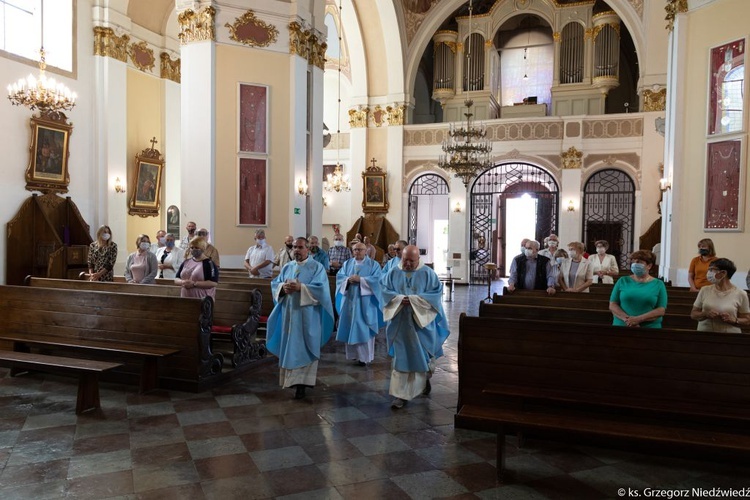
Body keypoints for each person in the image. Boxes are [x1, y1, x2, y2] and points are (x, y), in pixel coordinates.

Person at [381, 245, 450, 409]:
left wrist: (412, 300)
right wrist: (398, 299)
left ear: (418, 259)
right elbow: (384, 290)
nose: (407, 264)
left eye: (411, 261)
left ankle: (424, 380)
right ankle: (400, 395)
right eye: (405, 260)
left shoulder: (428, 274)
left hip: (421, 324)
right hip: (400, 325)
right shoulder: (393, 272)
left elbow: (435, 294)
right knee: (400, 359)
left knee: (423, 356)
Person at [267, 237, 334, 399]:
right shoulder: (288, 267)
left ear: (308, 250)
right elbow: (275, 284)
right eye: (294, 247)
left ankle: (303, 383)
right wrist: (283, 288)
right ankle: (291, 381)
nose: (296, 250)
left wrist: (301, 287)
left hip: (307, 316)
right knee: (290, 347)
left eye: (300, 247)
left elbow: (322, 291)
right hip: (289, 314)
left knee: (306, 346)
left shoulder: (316, 268)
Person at [336, 242, 384, 365]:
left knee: (364, 328)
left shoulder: (374, 264)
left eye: (360, 249)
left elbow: (378, 280)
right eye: (355, 249)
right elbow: (340, 277)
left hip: (366, 304)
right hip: (350, 302)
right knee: (350, 327)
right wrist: (347, 280)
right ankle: (353, 355)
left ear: (366, 251)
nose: (357, 252)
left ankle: (365, 357)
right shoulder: (347, 263)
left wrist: (361, 280)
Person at [609, 250, 667, 328]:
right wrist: (627, 320)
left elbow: (661, 310)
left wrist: (638, 319)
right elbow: (613, 304)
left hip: (649, 327)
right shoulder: (623, 281)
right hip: (622, 325)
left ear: (649, 266)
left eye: (639, 262)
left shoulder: (659, 284)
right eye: (633, 262)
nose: (635, 264)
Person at [690, 258, 750, 333]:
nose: (709, 273)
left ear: (723, 273)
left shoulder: (741, 294)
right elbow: (693, 314)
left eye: (712, 270)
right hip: (704, 334)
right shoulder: (704, 290)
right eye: (709, 270)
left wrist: (734, 320)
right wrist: (705, 313)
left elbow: (747, 320)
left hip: (730, 337)